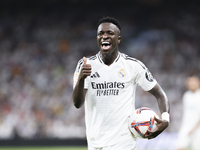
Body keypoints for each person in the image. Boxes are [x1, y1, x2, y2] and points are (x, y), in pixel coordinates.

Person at [72, 16, 170, 150]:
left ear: (118, 39)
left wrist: (165, 118)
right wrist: (82, 79)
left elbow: (160, 94)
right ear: (97, 39)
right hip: (95, 142)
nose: (104, 36)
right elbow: (77, 104)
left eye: (110, 33)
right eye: (101, 33)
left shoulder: (133, 65)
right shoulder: (85, 65)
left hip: (124, 142)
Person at [176, 75, 200, 150]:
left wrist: (194, 128)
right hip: (185, 126)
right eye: (190, 82)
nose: (191, 84)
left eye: (193, 82)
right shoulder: (186, 95)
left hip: (198, 128)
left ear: (198, 83)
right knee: (180, 146)